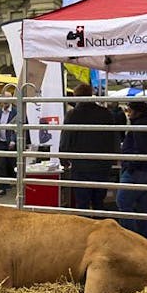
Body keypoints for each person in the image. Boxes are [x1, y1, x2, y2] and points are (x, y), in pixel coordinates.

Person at [59, 83, 117, 211]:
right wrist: (113, 158)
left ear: (76, 96)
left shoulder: (73, 115)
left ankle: (84, 229)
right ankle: (99, 227)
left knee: (82, 203)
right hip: (102, 165)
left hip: (81, 165)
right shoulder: (106, 113)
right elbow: (113, 137)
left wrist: (63, 159)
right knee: (99, 202)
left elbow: (66, 139)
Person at [116, 101, 147, 239]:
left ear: (137, 111)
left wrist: (130, 164)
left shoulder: (139, 126)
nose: (128, 114)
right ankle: (146, 237)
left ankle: (131, 238)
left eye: (129, 111)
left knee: (123, 201)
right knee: (142, 205)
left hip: (137, 170)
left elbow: (142, 150)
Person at [0, 102, 17, 196]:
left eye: (7, 101)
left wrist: (13, 141)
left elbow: (16, 127)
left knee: (14, 165)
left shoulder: (16, 111)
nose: (4, 103)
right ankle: (2, 188)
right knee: (1, 166)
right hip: (1, 142)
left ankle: (19, 188)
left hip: (11, 143)